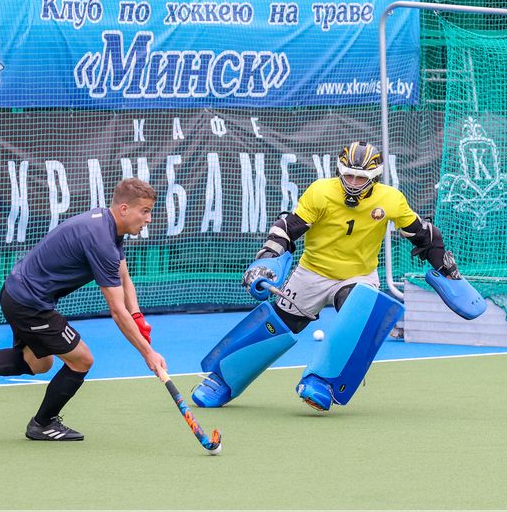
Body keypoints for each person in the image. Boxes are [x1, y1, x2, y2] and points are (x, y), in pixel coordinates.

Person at [191, 141, 464, 412]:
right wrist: (266, 259)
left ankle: (322, 382)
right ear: (339, 171)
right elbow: (287, 228)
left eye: (361, 178)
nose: (353, 183)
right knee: (278, 325)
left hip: (358, 275)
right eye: (349, 175)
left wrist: (447, 271)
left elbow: (424, 235)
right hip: (312, 272)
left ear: (375, 178)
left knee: (359, 311)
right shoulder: (320, 192)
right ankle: (223, 378)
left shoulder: (391, 199)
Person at [0, 177, 168, 441]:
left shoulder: (108, 225)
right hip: (30, 303)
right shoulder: (101, 240)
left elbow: (123, 276)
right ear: (124, 209)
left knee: (38, 362)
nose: (149, 219)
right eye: (145, 211)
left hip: (18, 293)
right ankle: (42, 423)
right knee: (82, 359)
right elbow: (116, 310)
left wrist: (137, 316)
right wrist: (148, 353)